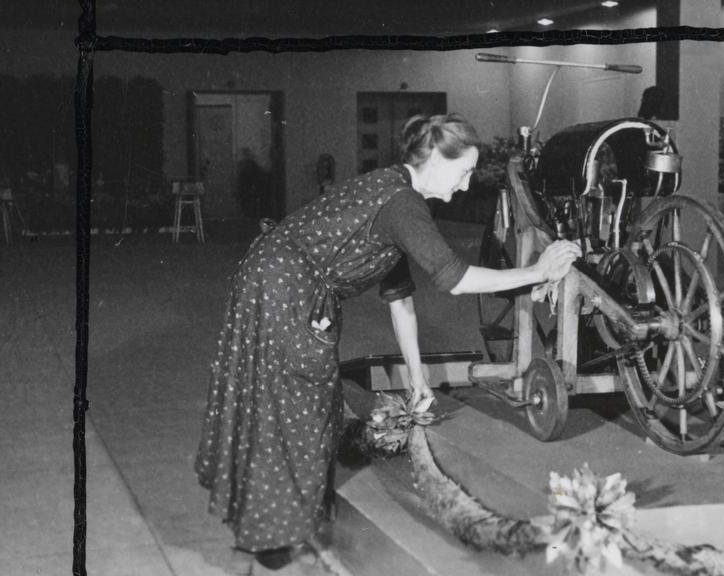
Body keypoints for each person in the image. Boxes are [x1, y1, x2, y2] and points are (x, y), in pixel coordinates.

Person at [195, 113, 581, 570]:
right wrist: (538, 271)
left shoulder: (395, 191)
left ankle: (276, 524)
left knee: (288, 402)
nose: (464, 186)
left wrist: (418, 380)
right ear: (436, 157)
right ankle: (272, 534)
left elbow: (400, 299)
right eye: (464, 172)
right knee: (297, 403)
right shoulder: (402, 203)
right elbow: (453, 279)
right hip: (284, 290)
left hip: (273, 280)